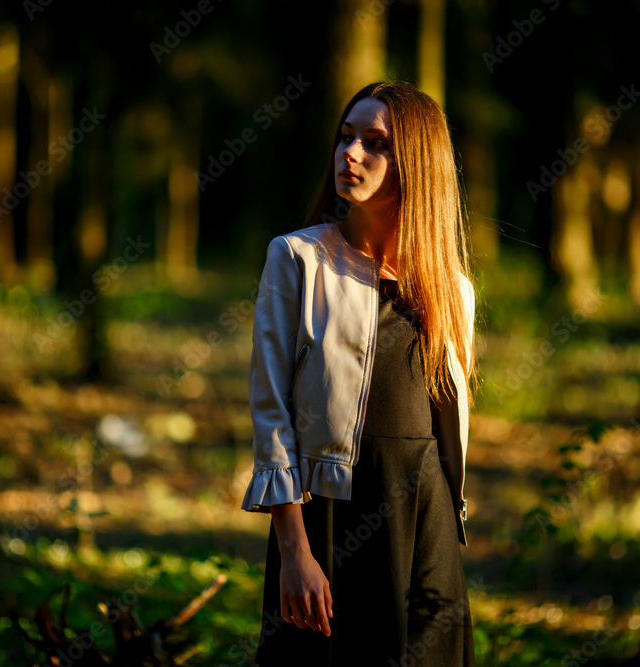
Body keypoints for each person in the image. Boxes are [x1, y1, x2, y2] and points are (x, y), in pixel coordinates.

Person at [240, 81, 479, 666]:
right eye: (346, 137)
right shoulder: (297, 259)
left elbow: (447, 428)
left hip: (425, 525)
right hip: (330, 518)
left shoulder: (452, 290)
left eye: (376, 143)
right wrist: (294, 551)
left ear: (418, 163)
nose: (350, 153)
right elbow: (271, 413)